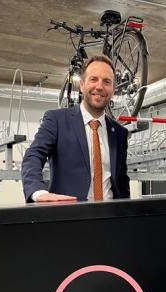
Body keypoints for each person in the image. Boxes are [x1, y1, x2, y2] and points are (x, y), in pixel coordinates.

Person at [22, 55, 130, 202]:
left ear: (113, 89)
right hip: (70, 218)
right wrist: (38, 192)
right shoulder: (57, 120)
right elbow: (33, 155)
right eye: (93, 79)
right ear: (82, 85)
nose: (99, 86)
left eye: (107, 82)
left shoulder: (119, 133)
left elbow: (122, 181)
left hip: (110, 218)